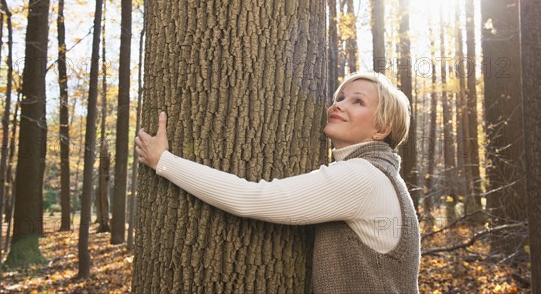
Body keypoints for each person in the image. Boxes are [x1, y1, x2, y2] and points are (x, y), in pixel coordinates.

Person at [135, 71, 420, 293]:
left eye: (357, 101)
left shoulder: (363, 177)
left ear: (381, 128)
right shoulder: (382, 176)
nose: (338, 105)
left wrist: (164, 161)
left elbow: (253, 198)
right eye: (341, 97)